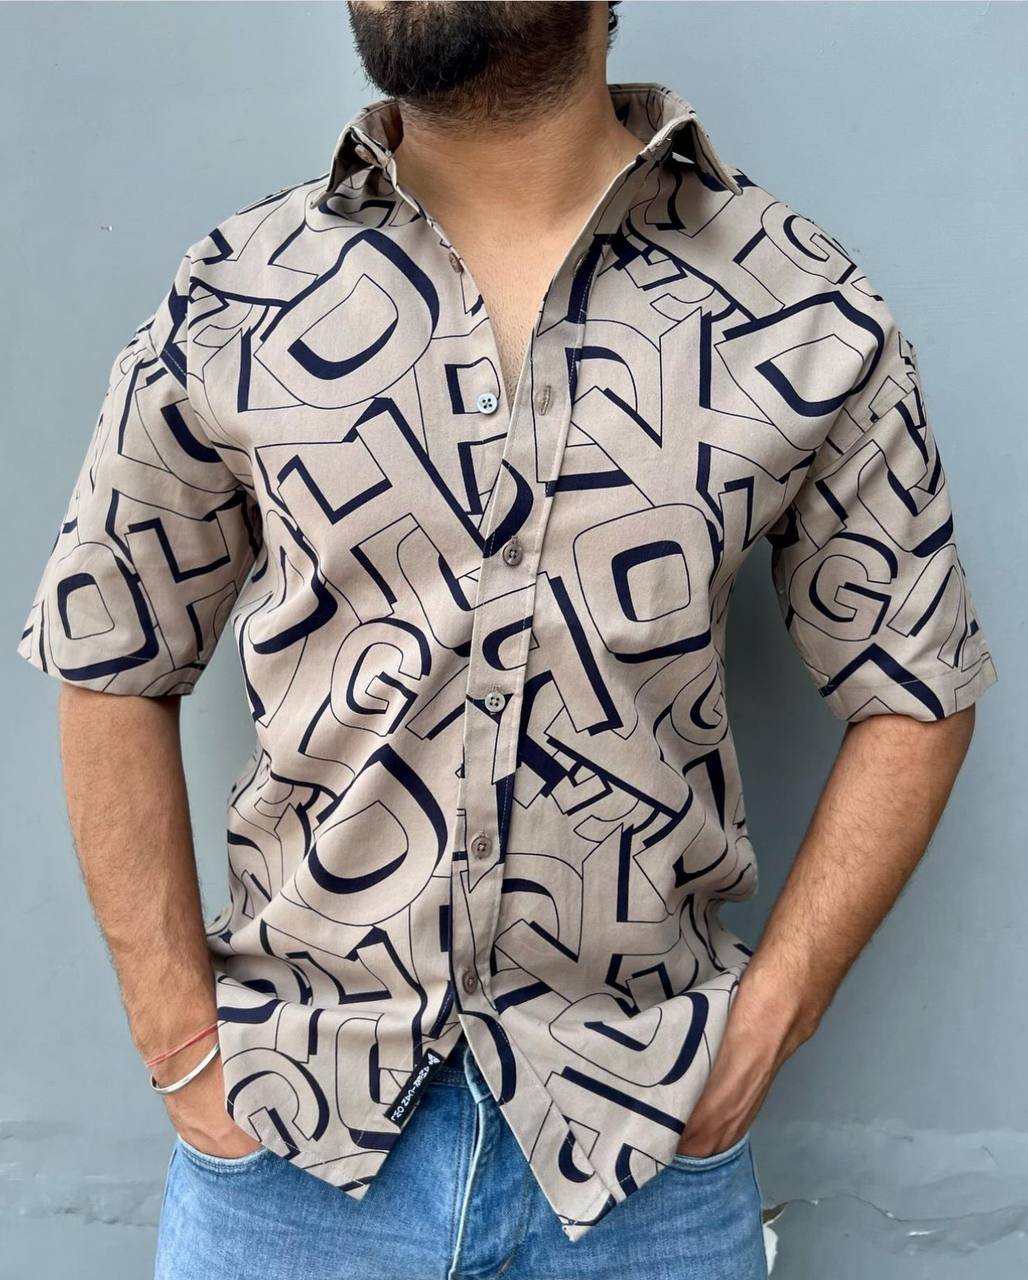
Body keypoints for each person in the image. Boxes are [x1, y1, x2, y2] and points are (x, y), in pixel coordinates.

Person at [15, 2, 998, 1278]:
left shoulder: (793, 303)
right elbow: (109, 652)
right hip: (290, 1156)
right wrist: (180, 1045)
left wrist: (769, 1017)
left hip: (642, 1168)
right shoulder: (238, 290)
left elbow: (916, 680)